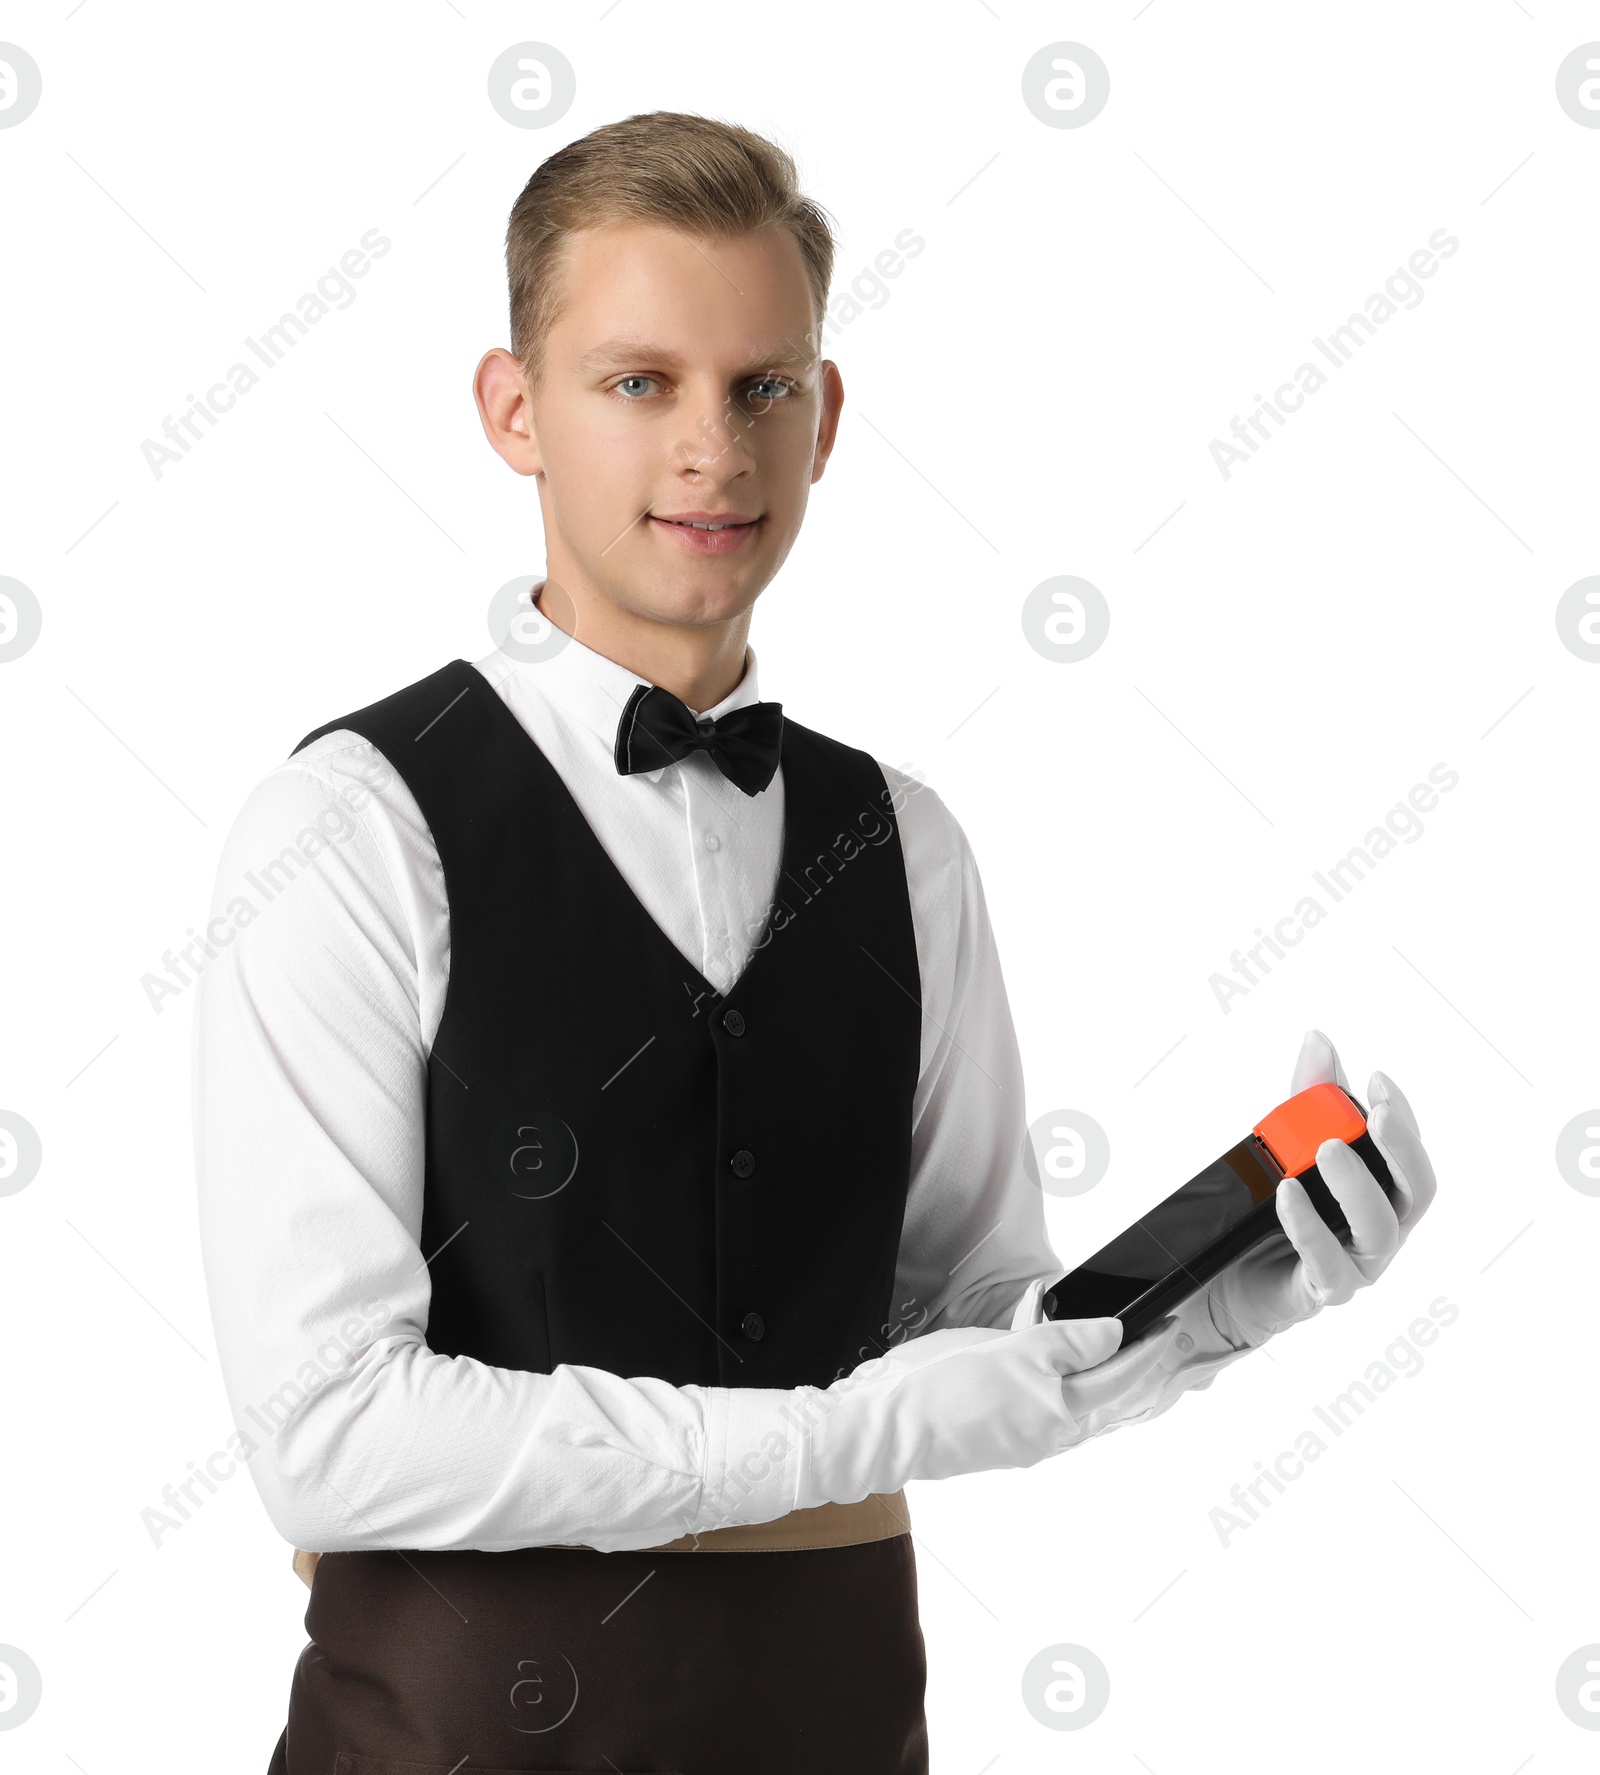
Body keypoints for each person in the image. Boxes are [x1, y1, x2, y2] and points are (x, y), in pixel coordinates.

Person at [192, 111, 1438, 1775]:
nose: (714, 449)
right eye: (640, 382)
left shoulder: (907, 842)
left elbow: (967, 1318)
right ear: (515, 412)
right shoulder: (352, 829)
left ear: (826, 417)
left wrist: (1188, 1329)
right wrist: (833, 1436)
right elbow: (326, 1435)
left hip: (846, 1726)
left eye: (762, 386)